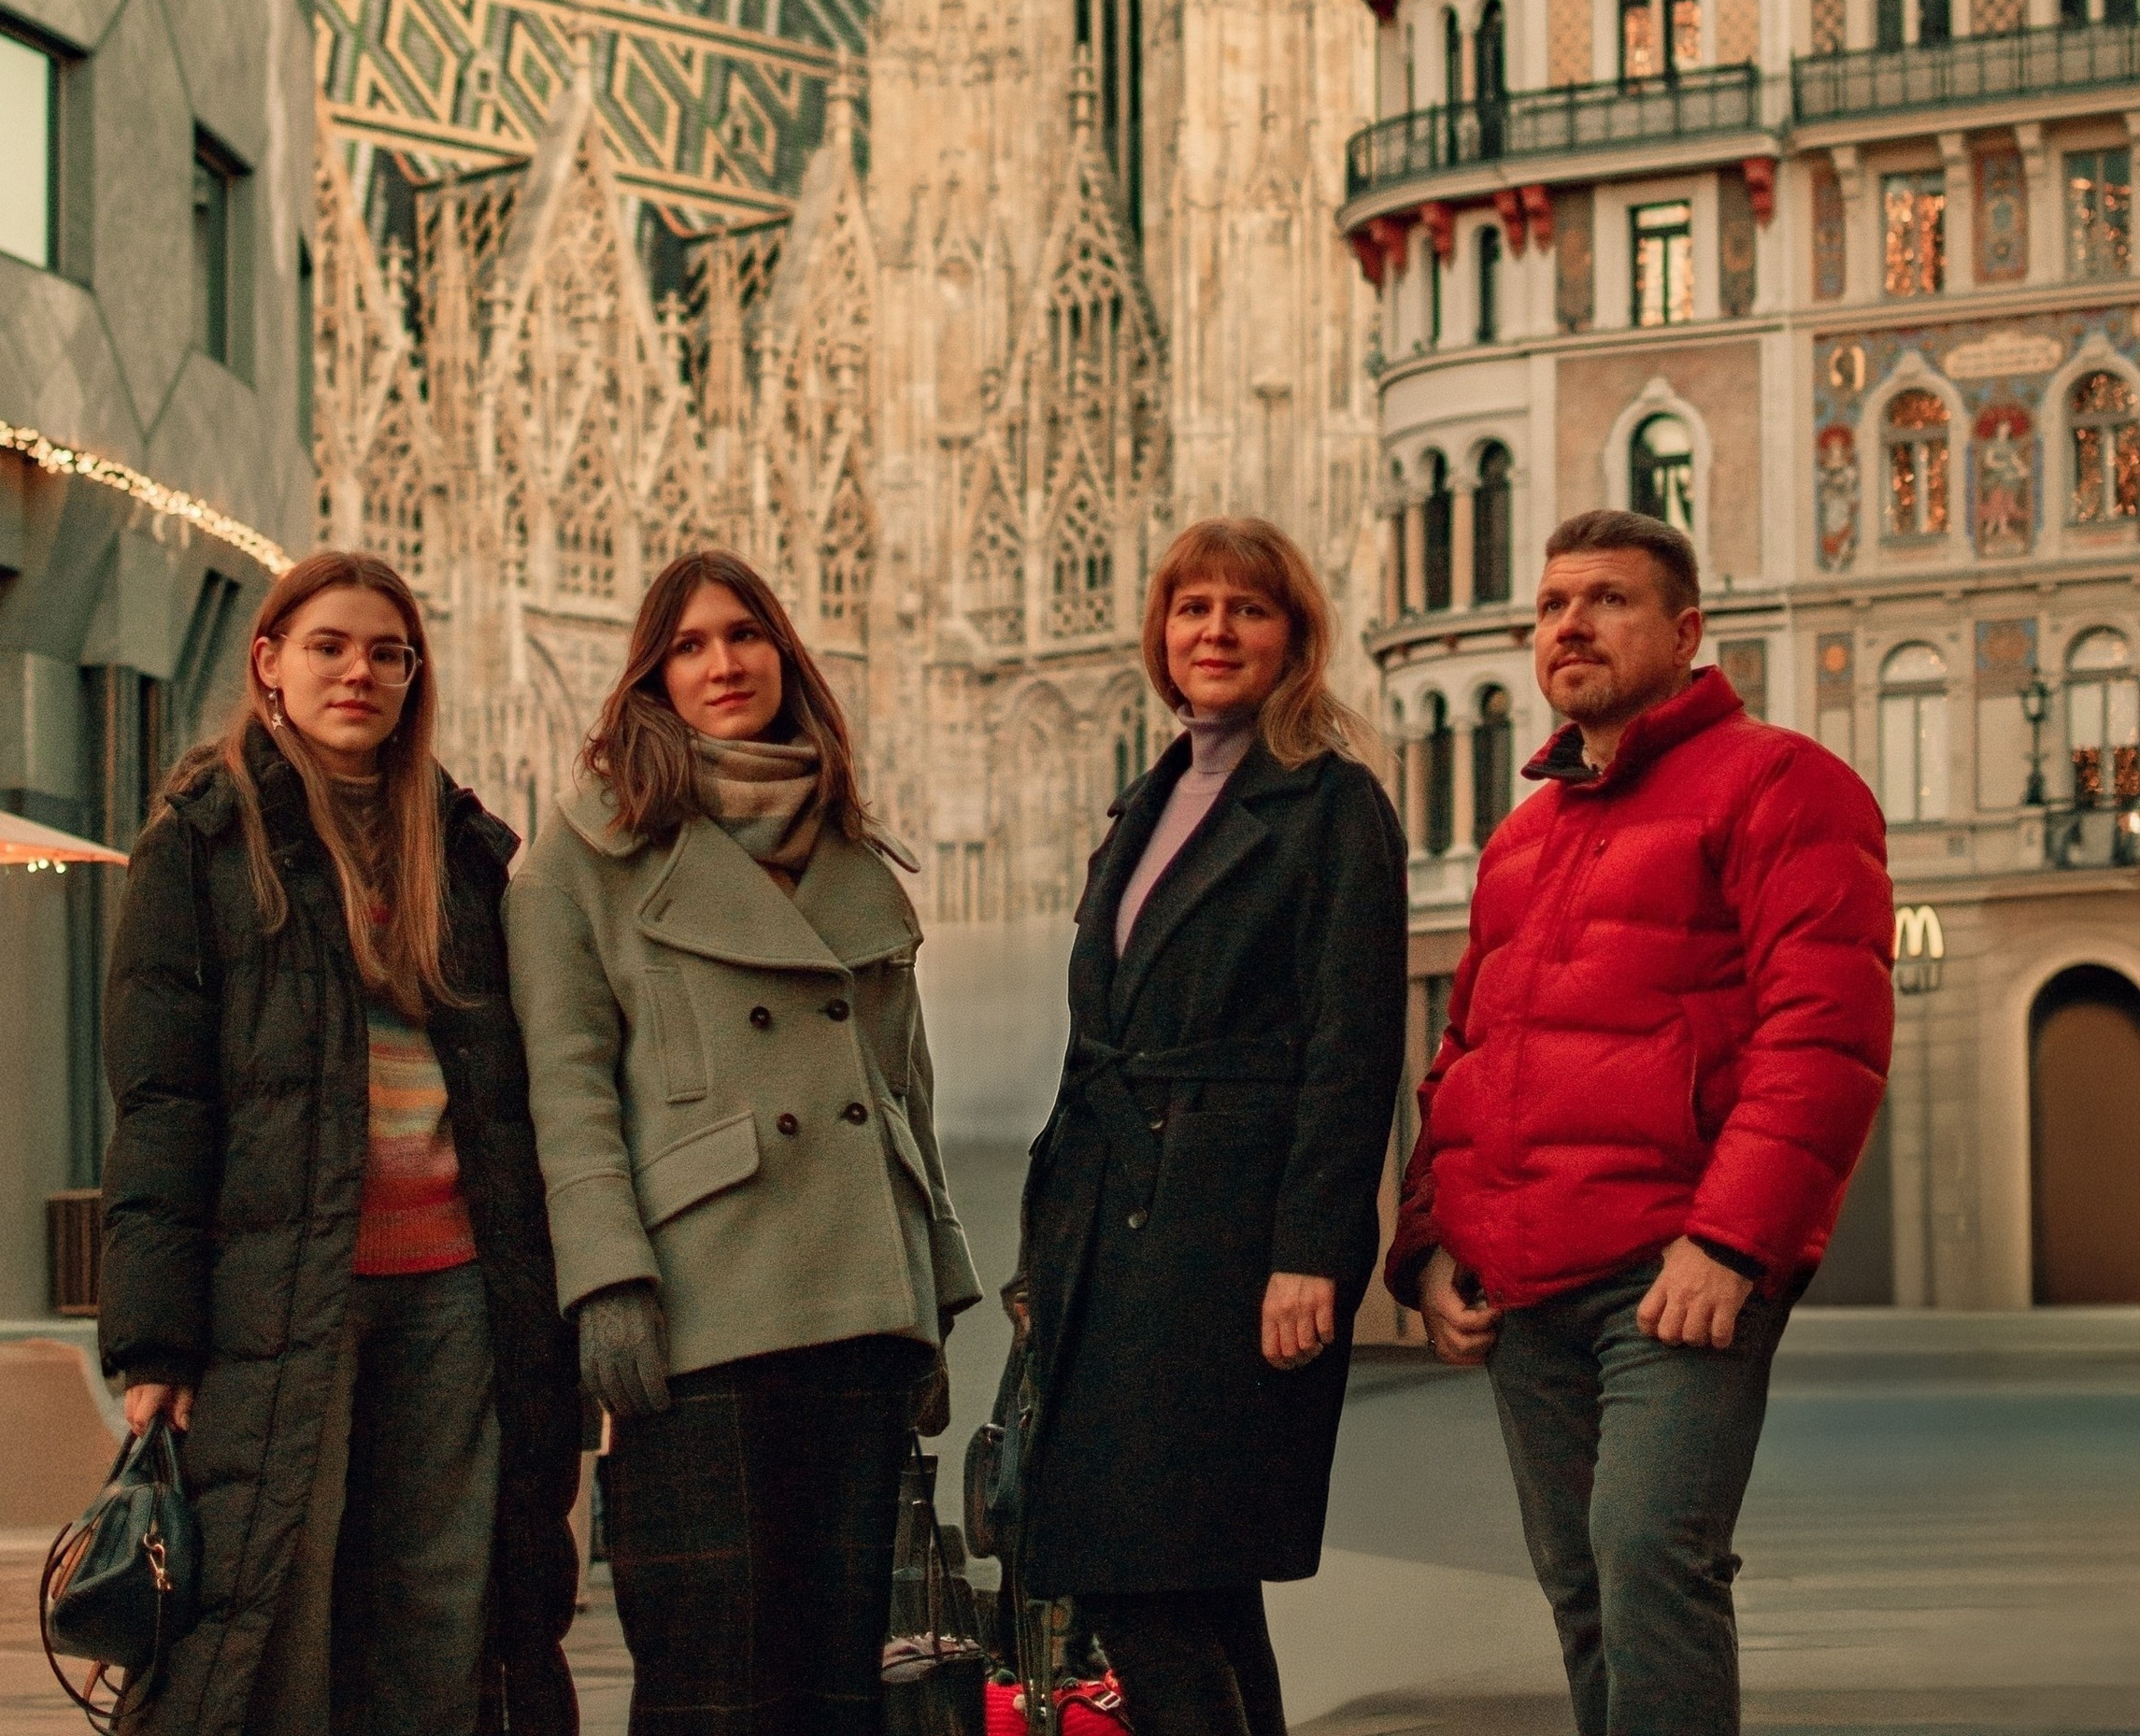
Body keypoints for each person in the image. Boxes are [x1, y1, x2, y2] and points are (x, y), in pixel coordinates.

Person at [1389, 506, 1894, 1736]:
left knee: (1649, 1563)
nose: (1571, 624)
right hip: (1520, 1287)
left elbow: (1825, 1031)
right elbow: (1466, 1056)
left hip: (1669, 1272)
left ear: (1685, 632)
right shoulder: (1522, 840)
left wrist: (1732, 1241)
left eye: (1607, 600)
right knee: (1582, 1592)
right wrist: (1433, 1245)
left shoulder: (1781, 783)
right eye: (1552, 606)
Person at [97, 548, 580, 1736]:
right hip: (286, 1289)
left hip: (455, 1287)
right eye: (329, 646)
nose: (358, 672)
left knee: (440, 1603)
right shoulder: (204, 838)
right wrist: (155, 1343)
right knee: (276, 1607)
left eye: (387, 653)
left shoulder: (467, 851)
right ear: (268, 662)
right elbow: (164, 1100)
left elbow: (514, 1094)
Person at [506, 548, 979, 1736]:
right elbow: (566, 1091)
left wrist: (933, 1294)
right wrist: (607, 1284)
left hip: (860, 1313)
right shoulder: (587, 854)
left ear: (784, 654)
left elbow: (903, 1090)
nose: (724, 662)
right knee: (710, 1689)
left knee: (835, 1686)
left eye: (745, 634)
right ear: (653, 676)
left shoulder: (852, 851)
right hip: (704, 1312)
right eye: (692, 643)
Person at [1017, 518, 1408, 1736]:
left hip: (1225, 1234)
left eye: (1248, 609)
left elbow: (1353, 1054)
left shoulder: (1329, 808)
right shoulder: (1144, 803)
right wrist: (1048, 1248)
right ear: (1161, 633)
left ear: (1292, 637)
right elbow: (1093, 1048)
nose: (1217, 632)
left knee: (1146, 1569)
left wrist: (1312, 1251)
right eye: (1194, 609)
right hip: (1112, 1229)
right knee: (1194, 1583)